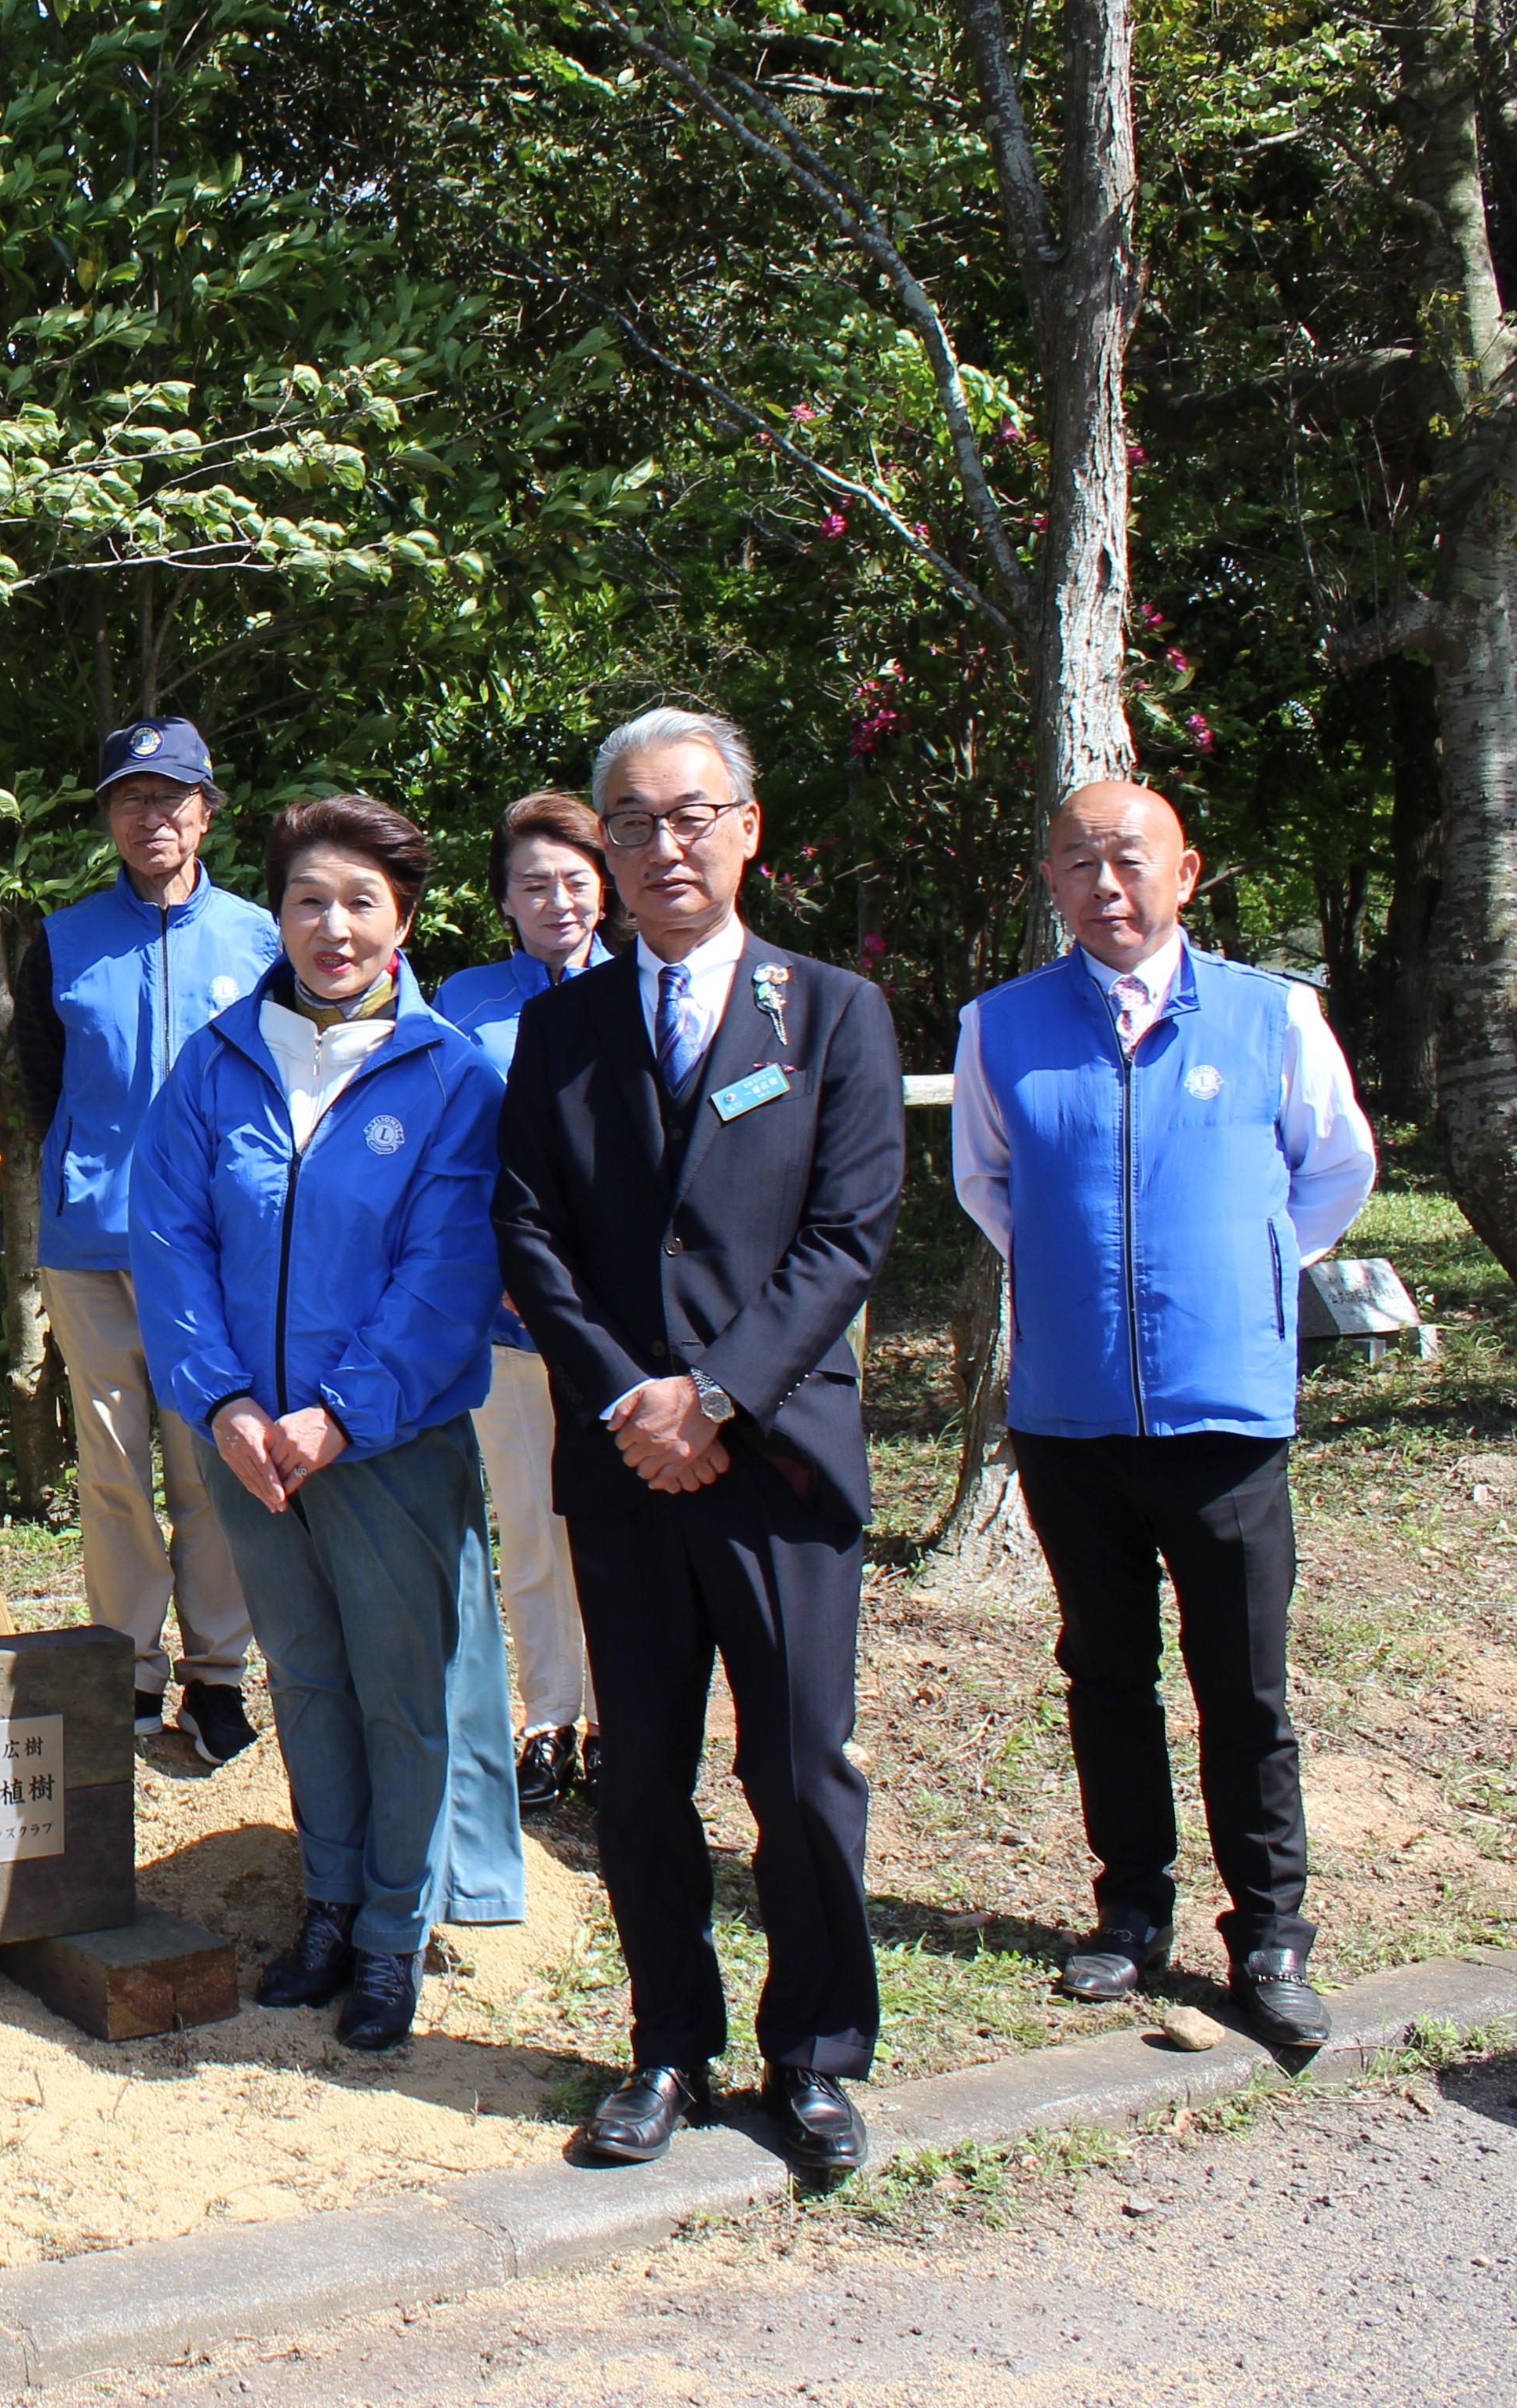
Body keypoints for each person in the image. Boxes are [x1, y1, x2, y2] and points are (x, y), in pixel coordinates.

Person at [492, 705, 904, 2177]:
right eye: (635, 821)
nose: (664, 845)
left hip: (779, 1460)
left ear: (745, 830)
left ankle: (816, 2056)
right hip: (621, 1464)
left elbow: (849, 1233)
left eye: (690, 815)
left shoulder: (833, 1012)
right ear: (601, 846)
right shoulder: (559, 1028)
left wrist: (714, 1396)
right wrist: (630, 1399)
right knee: (644, 1774)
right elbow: (529, 1235)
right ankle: (668, 2043)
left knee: (799, 1773)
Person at [951, 780, 1375, 2048]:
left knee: (1244, 1687)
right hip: (1070, 1417)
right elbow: (989, 1184)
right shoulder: (1001, 1027)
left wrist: (1245, 1272)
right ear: (1051, 881)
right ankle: (1131, 1913)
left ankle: (1271, 1934)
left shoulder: (1273, 1017)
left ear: (1185, 872)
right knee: (1106, 1675)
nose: (1106, 886)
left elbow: (1335, 1167)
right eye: (1079, 863)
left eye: (1130, 860)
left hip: (1225, 1417)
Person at [134, 793, 522, 2054]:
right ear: (277, 915)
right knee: (304, 1678)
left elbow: (447, 1269)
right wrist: (227, 1402)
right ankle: (330, 1903)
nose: (333, 925)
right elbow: (172, 1238)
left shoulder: (452, 1075)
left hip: (385, 1446)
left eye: (361, 901)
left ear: (403, 919)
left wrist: (339, 1417)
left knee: (402, 1692)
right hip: (248, 1445)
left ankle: (393, 1935)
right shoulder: (218, 1062)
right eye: (310, 900)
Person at [13, 716, 283, 1758]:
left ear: (207, 810)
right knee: (115, 1466)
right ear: (109, 817)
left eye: (172, 796)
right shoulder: (63, 939)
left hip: (217, 1258)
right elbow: (45, 1077)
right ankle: (125, 1665)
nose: (152, 814)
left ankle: (218, 1673)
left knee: (215, 1464)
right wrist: (88, 1166)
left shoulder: (261, 939)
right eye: (132, 797)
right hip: (92, 1248)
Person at [433, 794, 617, 1811]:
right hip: (501, 1314)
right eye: (533, 882)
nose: (556, 899)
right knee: (528, 1523)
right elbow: (446, 1149)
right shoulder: (465, 1003)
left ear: (607, 887)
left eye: (574, 879)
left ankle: (617, 1720)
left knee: (609, 1526)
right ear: (504, 899)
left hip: (612, 1323)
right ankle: (546, 1720)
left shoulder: (643, 993)